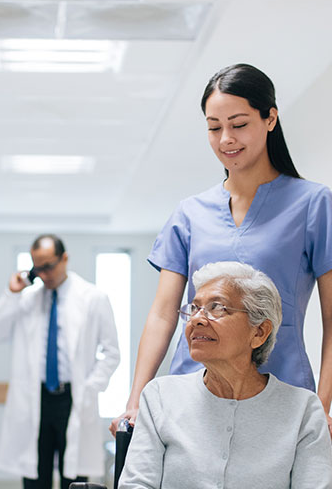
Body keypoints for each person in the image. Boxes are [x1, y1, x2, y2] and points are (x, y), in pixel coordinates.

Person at [110, 63, 332, 436]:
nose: (226, 138)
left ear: (270, 118)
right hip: (191, 394)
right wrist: (135, 400)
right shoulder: (190, 213)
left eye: (239, 124)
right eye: (214, 127)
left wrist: (322, 407)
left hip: (282, 394)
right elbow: (164, 314)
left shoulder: (313, 205)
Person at [116, 261, 332, 489]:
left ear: (259, 332)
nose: (198, 319)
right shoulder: (161, 396)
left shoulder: (302, 409)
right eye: (194, 308)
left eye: (217, 308)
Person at [0, 234, 120, 489]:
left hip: (73, 401)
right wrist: (12, 291)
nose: (43, 274)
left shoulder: (93, 298)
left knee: (71, 488)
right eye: (38, 267)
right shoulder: (27, 299)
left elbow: (112, 352)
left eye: (48, 266)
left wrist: (90, 388)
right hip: (34, 403)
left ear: (65, 259)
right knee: (34, 485)